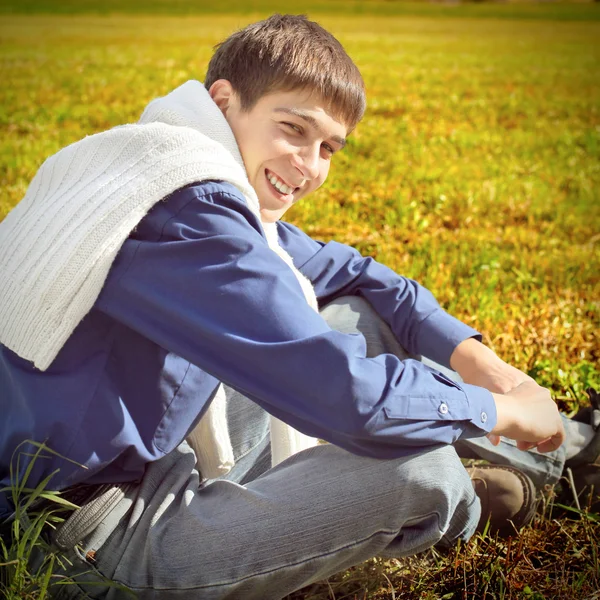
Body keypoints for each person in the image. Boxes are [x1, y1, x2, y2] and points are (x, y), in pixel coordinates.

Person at [0, 13, 598, 600]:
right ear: (225, 98)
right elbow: (351, 398)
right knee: (421, 471)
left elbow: (355, 274)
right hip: (88, 533)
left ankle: (573, 456)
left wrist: (482, 366)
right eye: (293, 128)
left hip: (152, 446)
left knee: (360, 317)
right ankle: (467, 502)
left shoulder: (155, 164)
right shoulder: (190, 216)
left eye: (329, 148)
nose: (309, 167)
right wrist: (502, 411)